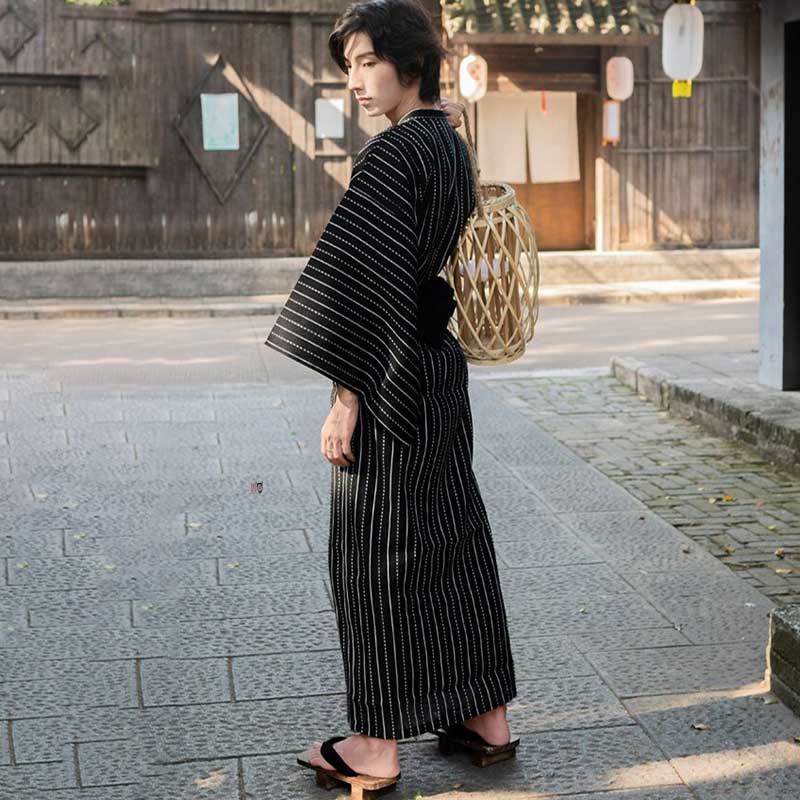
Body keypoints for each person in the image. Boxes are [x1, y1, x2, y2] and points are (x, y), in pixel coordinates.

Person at [264, 0, 518, 791]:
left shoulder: (391, 156)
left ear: (411, 65)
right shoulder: (449, 144)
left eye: (368, 62)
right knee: (451, 536)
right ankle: (485, 716)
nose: (358, 82)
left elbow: (362, 284)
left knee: (374, 555)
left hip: (391, 378)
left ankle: (375, 744)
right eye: (349, 68)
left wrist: (347, 398)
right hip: (438, 372)